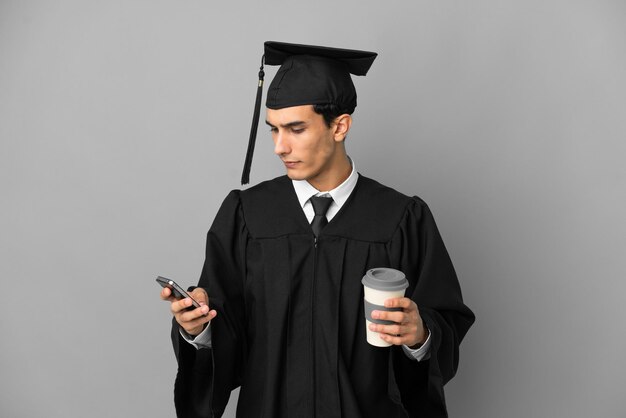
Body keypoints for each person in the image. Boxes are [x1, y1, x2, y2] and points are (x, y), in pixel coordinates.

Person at [160, 41, 474, 418]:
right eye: (273, 130)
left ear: (339, 126)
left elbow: (444, 324)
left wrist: (420, 335)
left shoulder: (400, 218)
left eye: (295, 129)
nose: (279, 146)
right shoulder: (247, 215)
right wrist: (197, 329)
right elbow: (228, 330)